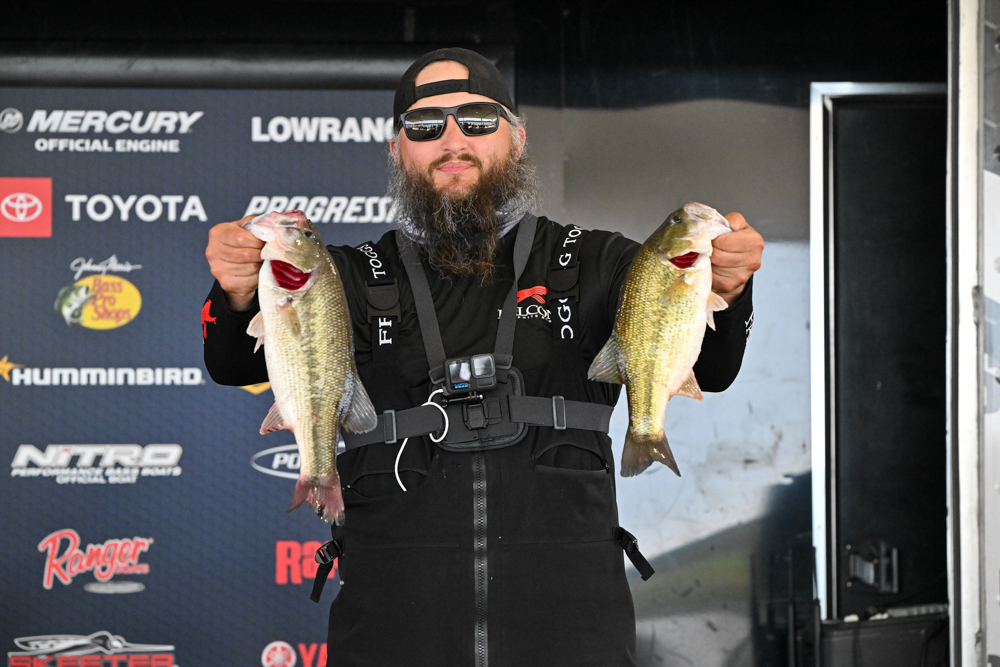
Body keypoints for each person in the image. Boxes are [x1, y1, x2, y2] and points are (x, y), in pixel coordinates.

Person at [203, 47, 763, 667]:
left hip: (573, 635)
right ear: (397, 150)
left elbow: (713, 370)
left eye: (476, 121)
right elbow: (232, 365)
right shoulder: (342, 276)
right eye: (424, 125)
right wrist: (235, 292)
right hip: (389, 634)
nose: (452, 140)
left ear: (517, 139)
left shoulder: (599, 261)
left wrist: (730, 287)